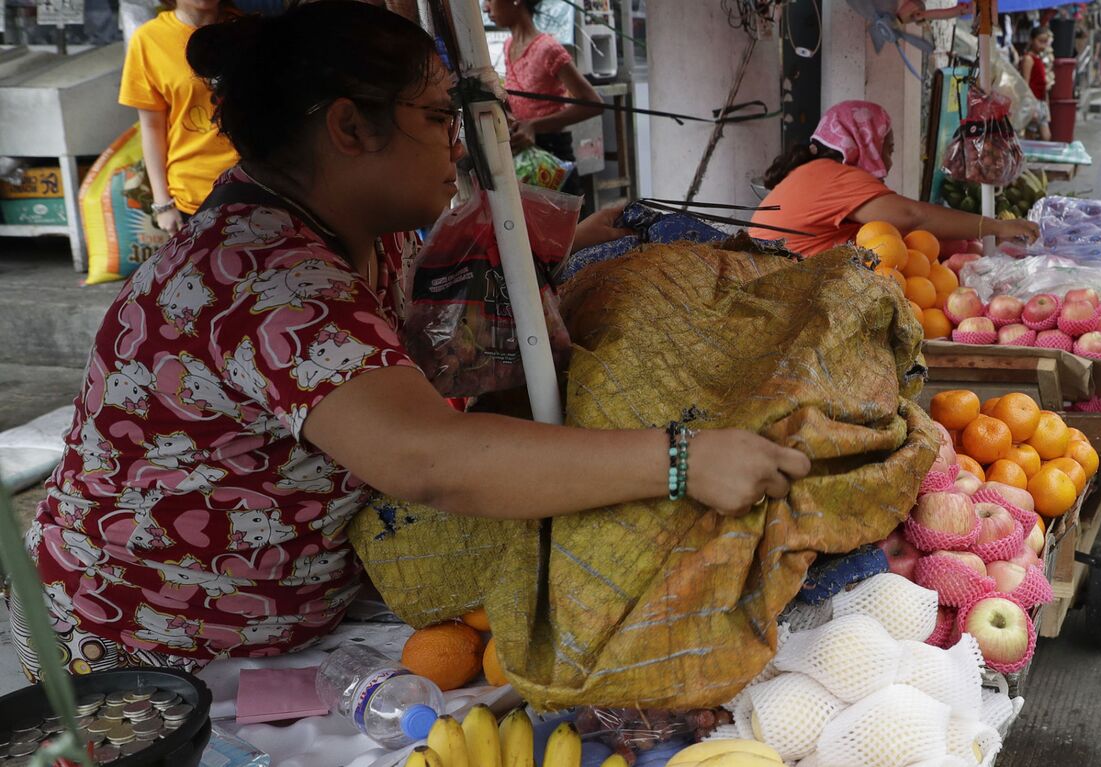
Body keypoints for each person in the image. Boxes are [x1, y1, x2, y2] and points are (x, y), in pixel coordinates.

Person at [12, 0, 808, 680]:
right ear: (350, 127)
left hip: (288, 618)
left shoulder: (365, 230)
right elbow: (429, 457)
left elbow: (440, 344)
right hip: (143, 650)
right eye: (437, 119)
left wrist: (567, 252)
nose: (458, 143)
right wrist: (681, 459)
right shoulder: (259, 276)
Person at [748, 100, 1039, 258]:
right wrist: (995, 227)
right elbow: (913, 216)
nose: (888, 161)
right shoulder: (837, 178)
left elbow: (899, 233)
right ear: (866, 144)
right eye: (889, 149)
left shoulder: (816, 173)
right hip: (784, 297)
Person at [120, 0, 243, 234]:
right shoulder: (149, 40)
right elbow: (152, 128)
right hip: (192, 195)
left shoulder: (247, 31)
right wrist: (163, 203)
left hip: (254, 186)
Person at [485, 0, 605, 160]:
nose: (486, 8)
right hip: (524, 153)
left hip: (553, 153)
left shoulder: (547, 49)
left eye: (490, 0)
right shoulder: (509, 46)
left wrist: (534, 125)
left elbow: (593, 104)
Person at [1017, 28, 1054, 141]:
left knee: (1046, 137)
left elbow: (1043, 85)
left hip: (1041, 103)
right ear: (1032, 40)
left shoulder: (1039, 59)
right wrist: (1030, 109)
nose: (1042, 45)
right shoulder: (1028, 59)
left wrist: (1046, 106)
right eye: (1040, 41)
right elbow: (1025, 85)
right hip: (1033, 103)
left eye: (1045, 42)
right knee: (1030, 136)